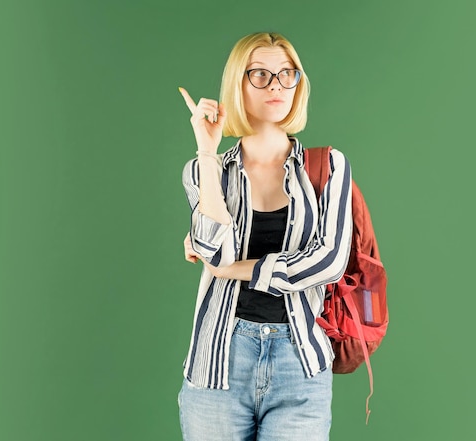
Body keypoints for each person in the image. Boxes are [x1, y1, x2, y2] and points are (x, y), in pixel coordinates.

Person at [177, 32, 353, 441]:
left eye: (286, 74)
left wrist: (236, 269)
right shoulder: (204, 171)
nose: (276, 84)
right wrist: (206, 151)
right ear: (237, 85)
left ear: (298, 83)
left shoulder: (327, 167)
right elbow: (212, 249)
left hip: (300, 361)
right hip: (218, 361)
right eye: (260, 74)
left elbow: (328, 262)